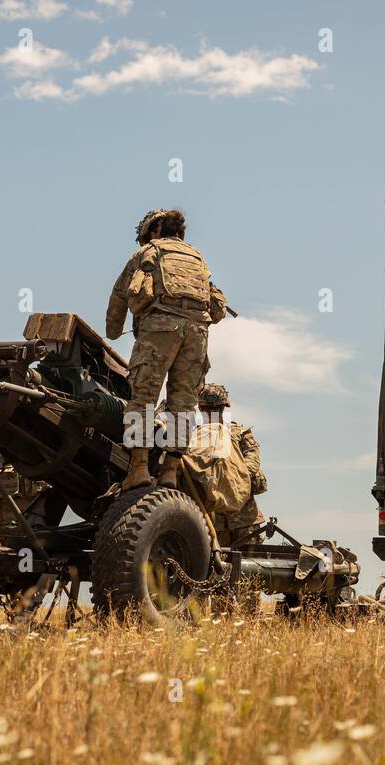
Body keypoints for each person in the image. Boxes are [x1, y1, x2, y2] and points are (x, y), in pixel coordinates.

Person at [105, 209, 227, 491]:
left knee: (144, 397)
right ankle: (170, 471)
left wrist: (112, 332)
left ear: (155, 231)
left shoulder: (148, 253)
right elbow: (217, 307)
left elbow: (119, 297)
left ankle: (138, 468)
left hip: (160, 328)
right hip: (197, 334)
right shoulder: (197, 258)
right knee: (183, 403)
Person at [198, 383, 267, 546]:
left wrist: (234, 477)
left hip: (245, 518)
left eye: (215, 409)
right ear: (201, 410)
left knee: (252, 563)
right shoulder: (196, 437)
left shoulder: (238, 432)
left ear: (223, 408)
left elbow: (253, 459)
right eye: (208, 410)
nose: (212, 413)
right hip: (213, 522)